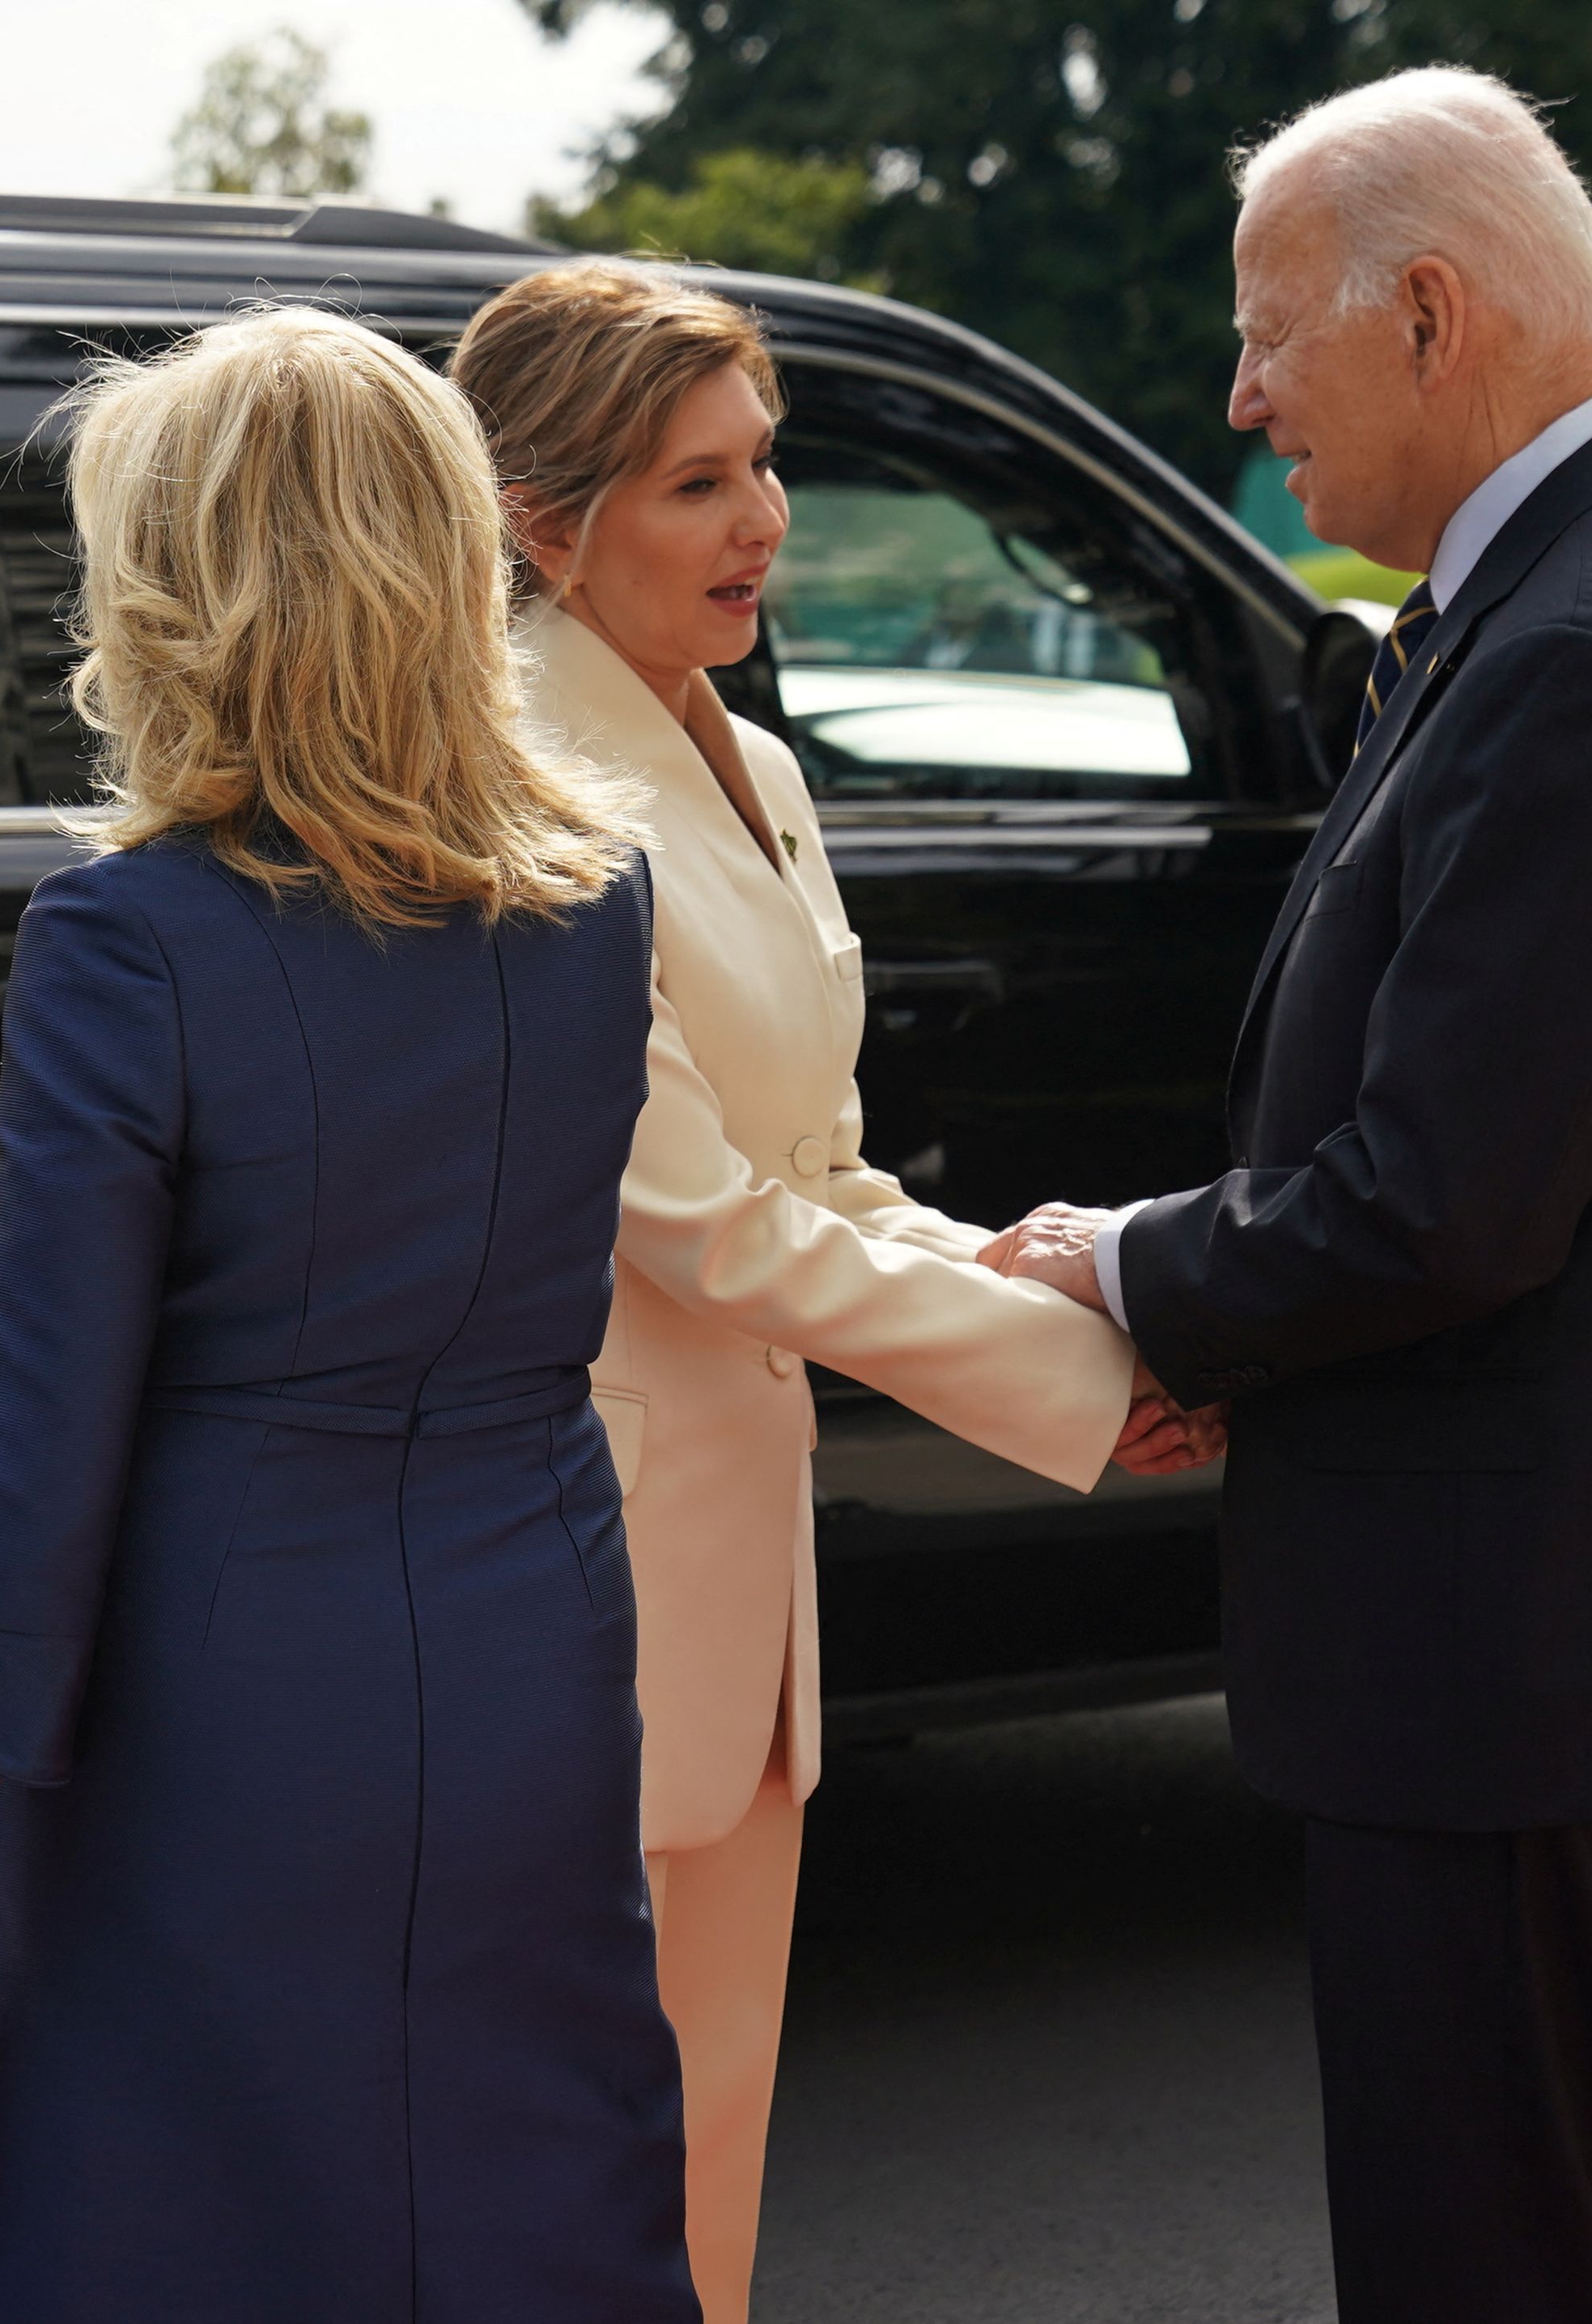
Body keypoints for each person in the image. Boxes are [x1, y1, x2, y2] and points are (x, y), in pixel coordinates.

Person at [986, 70, 1592, 2324]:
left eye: (1263, 334)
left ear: (1426, 313)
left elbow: (1445, 1199)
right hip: (1562, 1629)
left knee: (1499, 2265)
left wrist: (1130, 1268)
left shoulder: (1584, 645)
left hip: (1525, 1651)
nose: (1241, 397)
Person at [0, 306, 701, 2322]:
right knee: (523, 2214)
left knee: (182, 2240)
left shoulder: (130, 937)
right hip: (529, 1651)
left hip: (215, 1708)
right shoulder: (598, 899)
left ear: (183, 588)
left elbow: (39, 1487)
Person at [446, 259, 1208, 2324]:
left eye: (763, 466)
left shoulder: (760, 771)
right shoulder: (502, 785)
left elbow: (820, 1178)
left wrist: (1092, 1287)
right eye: (696, 483)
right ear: (541, 522)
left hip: (742, 1580)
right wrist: (1084, 1380)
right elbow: (694, 1224)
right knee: (566, 2178)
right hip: (574, 1579)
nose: (762, 521)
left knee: (706, 2166)